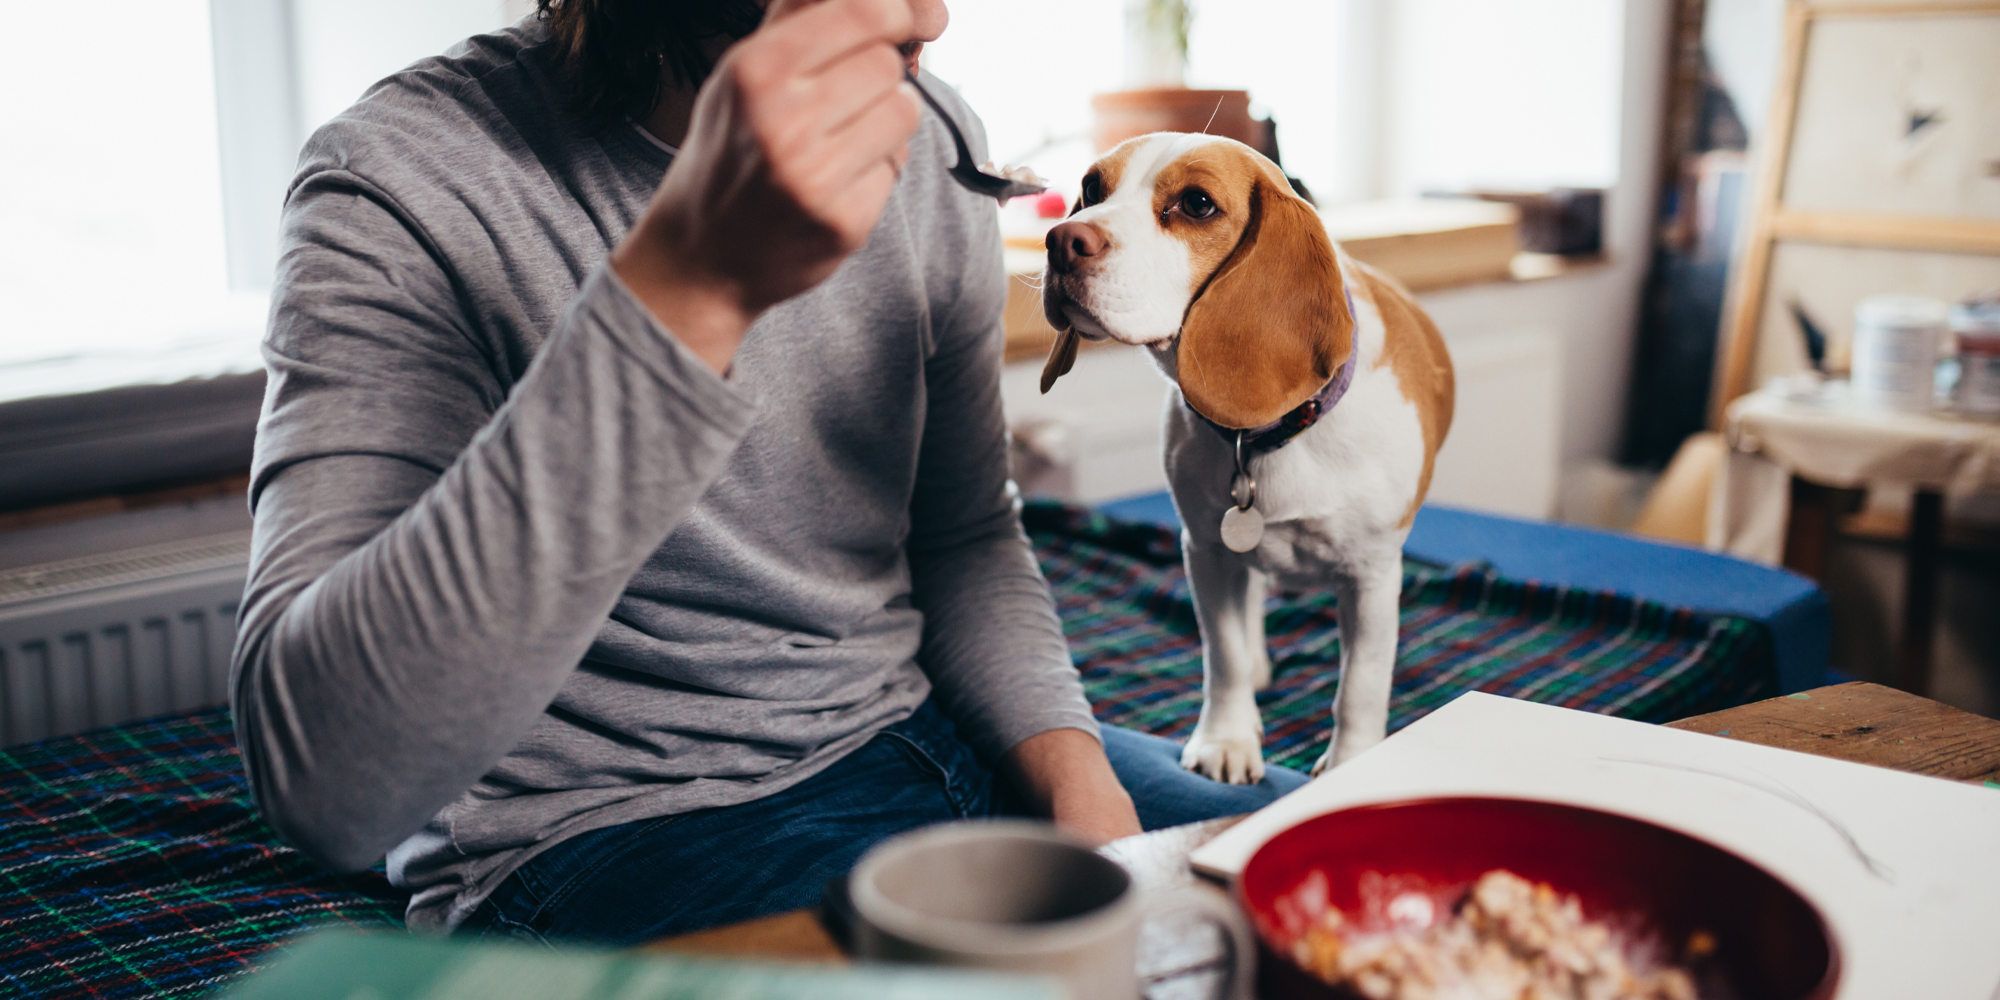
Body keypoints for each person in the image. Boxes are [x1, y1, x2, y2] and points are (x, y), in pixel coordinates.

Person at [231, 0, 1307, 946]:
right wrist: (687, 285)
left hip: (920, 732)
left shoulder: (931, 138)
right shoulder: (402, 178)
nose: (931, 15)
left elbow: (963, 534)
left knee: (1377, 888)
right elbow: (327, 787)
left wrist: (1086, 798)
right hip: (604, 827)